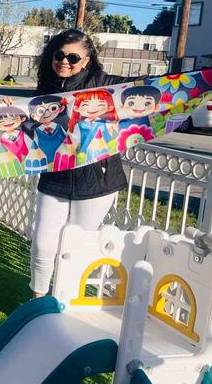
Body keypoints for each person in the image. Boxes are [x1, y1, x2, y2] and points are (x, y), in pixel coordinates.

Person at [29, 29, 140, 298]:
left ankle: (63, 300)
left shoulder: (104, 82)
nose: (64, 61)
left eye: (73, 57)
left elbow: (155, 86)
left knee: (75, 245)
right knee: (43, 243)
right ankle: (36, 299)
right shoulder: (47, 87)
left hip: (97, 179)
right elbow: (29, 124)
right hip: (55, 175)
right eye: (58, 55)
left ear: (87, 60)